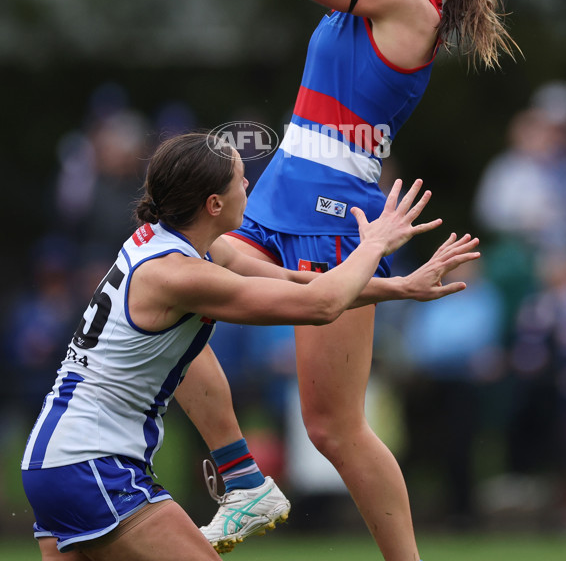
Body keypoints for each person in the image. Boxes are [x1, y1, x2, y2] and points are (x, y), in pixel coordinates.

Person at [192, 0, 520, 561]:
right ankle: (242, 476)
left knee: (335, 427)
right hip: (280, 197)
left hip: (334, 215)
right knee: (167, 283)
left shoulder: (408, 3)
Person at [21, 131, 479, 561]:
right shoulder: (179, 275)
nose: (248, 183)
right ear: (214, 203)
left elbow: (297, 282)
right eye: (240, 177)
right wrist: (373, 245)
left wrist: (401, 286)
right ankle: (243, 477)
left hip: (55, 460)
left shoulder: (182, 246)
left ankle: (243, 477)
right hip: (91, 466)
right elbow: (319, 305)